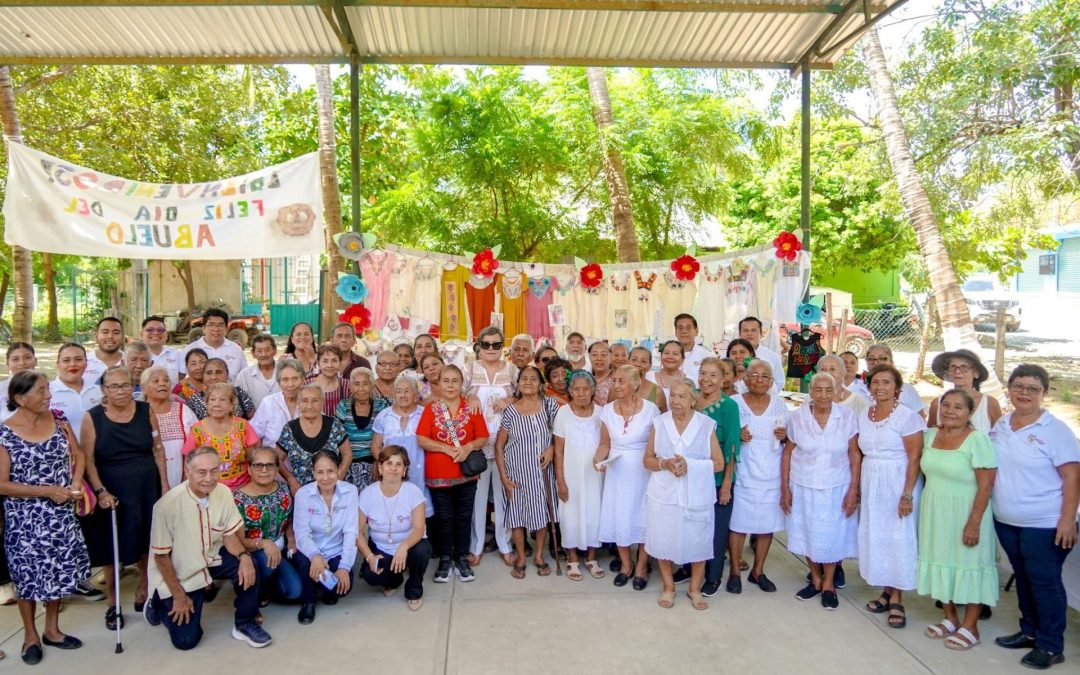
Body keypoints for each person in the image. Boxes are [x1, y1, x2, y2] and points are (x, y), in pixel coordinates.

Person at [990, 364, 1079, 669]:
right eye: (1019, 386)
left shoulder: (1055, 431)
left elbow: (1072, 478)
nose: (1024, 393)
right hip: (1007, 521)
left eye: (1033, 388)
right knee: (1024, 580)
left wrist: (1067, 520)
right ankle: (1030, 631)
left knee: (1045, 583)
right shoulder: (1002, 424)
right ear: (1010, 389)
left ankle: (1051, 645)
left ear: (1044, 393)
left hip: (1045, 524)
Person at [0, 371, 90, 665]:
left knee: (57, 573)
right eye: (41, 391)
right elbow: (1, 483)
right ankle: (30, 635)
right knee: (27, 579)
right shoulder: (5, 434)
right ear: (20, 398)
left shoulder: (60, 422)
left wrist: (76, 482)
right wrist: (47, 490)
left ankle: (52, 629)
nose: (48, 395)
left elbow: (79, 455)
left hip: (60, 515)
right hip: (24, 520)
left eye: (48, 389)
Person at [144, 446, 270, 650]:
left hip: (212, 557)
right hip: (181, 570)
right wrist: (178, 596)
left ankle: (245, 623)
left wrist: (244, 556)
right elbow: (161, 557)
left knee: (250, 565)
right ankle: (157, 603)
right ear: (187, 471)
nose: (209, 478)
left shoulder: (223, 492)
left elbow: (228, 534)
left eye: (214, 471)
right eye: (201, 472)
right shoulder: (166, 506)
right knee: (186, 641)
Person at [80, 366, 168, 629]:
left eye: (125, 385)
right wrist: (100, 491)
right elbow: (88, 460)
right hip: (111, 487)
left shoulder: (146, 411)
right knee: (111, 548)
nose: (120, 391)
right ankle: (112, 603)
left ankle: (144, 587)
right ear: (104, 390)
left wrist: (164, 486)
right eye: (113, 387)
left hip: (145, 484)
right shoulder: (92, 417)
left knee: (145, 540)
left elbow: (158, 449)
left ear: (133, 386)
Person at [917, 389, 998, 650]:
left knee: (969, 564)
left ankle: (970, 626)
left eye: (958, 407)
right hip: (935, 511)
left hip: (967, 511)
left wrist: (974, 522)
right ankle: (950, 618)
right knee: (941, 560)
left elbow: (986, 486)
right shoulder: (929, 436)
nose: (950, 411)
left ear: (970, 412)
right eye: (946, 405)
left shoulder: (978, 440)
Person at [781, 372, 860, 611]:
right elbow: (787, 453)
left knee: (833, 536)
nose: (823, 395)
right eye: (818, 390)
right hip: (803, 485)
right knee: (807, 533)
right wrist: (784, 488)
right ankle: (815, 579)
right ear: (810, 392)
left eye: (829, 390)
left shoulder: (847, 417)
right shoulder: (797, 418)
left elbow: (854, 454)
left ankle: (829, 584)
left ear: (836, 392)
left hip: (837, 486)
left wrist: (854, 490)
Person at [644, 378, 724, 610]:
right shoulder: (659, 423)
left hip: (696, 495)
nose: (675, 401)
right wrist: (665, 464)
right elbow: (647, 460)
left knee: (697, 540)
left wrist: (691, 465)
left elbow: (718, 463)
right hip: (664, 495)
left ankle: (694, 589)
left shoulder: (706, 424)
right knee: (663, 539)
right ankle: (668, 587)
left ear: (693, 400)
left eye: (681, 397)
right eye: (672, 396)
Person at [858, 363, 926, 630]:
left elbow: (915, 457)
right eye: (875, 382)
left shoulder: (908, 417)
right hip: (872, 479)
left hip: (898, 481)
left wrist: (907, 493)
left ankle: (897, 597)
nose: (880, 387)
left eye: (886, 382)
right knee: (879, 535)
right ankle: (887, 589)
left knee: (898, 536)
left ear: (897, 388)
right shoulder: (865, 413)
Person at [416, 365, 488, 583]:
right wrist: (446, 448)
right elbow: (421, 439)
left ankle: (461, 558)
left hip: (466, 474)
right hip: (438, 474)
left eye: (454, 380)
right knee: (444, 518)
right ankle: (446, 559)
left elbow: (483, 437)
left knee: (464, 517)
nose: (450, 385)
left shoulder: (472, 408)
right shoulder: (431, 409)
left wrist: (467, 448)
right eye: (445, 380)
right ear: (439, 382)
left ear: (461, 383)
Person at [595, 365, 661, 590]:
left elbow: (657, 445)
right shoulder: (606, 411)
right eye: (615, 381)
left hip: (643, 473)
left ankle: (642, 567)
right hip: (617, 474)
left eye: (622, 381)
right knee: (619, 517)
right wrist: (598, 460)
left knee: (644, 519)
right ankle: (626, 565)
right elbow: (605, 443)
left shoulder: (651, 410)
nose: (617, 385)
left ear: (636, 384)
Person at [727, 360, 788, 594]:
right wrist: (736, 434)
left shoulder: (780, 405)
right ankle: (734, 570)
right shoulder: (734, 403)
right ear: (745, 379)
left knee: (766, 526)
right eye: (755, 375)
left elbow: (788, 438)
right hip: (743, 472)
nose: (760, 380)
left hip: (771, 473)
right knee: (738, 524)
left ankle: (758, 570)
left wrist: (784, 436)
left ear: (772, 382)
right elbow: (720, 433)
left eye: (765, 377)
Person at [495, 366, 561, 579]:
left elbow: (560, 435)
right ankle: (522, 556)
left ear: (542, 384)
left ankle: (539, 555)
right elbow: (499, 446)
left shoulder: (550, 405)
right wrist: (504, 478)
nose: (529, 382)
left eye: (534, 379)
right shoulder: (511, 410)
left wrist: (551, 448)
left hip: (542, 472)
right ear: (518, 383)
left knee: (541, 515)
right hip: (516, 474)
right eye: (524, 378)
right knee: (517, 517)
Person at [357, 445, 431, 611]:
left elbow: (419, 529)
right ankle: (395, 580)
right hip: (381, 547)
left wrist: (404, 547)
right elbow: (358, 532)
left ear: (404, 470)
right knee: (370, 576)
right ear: (380, 467)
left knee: (422, 551)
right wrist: (369, 557)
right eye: (389, 463)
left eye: (399, 464)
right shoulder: (367, 494)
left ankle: (414, 590)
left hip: (409, 545)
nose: (393, 468)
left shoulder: (413, 492)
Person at [467, 326, 516, 567]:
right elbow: (454, 391)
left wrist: (509, 399)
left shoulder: (512, 370)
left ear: (502, 345)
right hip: (476, 444)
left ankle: (505, 543)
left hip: (505, 445)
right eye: (485, 344)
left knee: (504, 495)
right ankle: (475, 546)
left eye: (496, 344)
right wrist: (470, 397)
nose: (490, 349)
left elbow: (524, 394)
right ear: (479, 345)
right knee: (477, 497)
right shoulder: (469, 368)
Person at [291, 450, 357, 625]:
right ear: (313, 473)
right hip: (309, 551)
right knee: (308, 565)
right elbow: (302, 534)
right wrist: (315, 555)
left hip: (335, 551)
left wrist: (344, 567)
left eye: (331, 471)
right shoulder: (303, 494)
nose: (325, 477)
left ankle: (324, 585)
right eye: (320, 472)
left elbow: (351, 532)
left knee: (342, 588)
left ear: (338, 470)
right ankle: (309, 601)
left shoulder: (350, 492)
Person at [695, 357, 741, 597]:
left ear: (724, 379)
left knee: (716, 530)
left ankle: (713, 577)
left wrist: (726, 485)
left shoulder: (729, 406)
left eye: (713, 375)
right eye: (703, 373)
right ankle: (689, 568)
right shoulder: (692, 399)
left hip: (718, 477)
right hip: (694, 475)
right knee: (693, 525)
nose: (707, 379)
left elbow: (733, 446)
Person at [554, 370, 605, 581]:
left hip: (595, 477)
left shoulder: (601, 413)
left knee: (595, 515)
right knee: (570, 517)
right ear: (570, 391)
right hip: (571, 476)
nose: (581, 393)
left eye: (586, 389)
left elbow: (606, 443)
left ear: (593, 390)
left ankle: (591, 558)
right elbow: (558, 451)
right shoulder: (563, 413)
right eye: (577, 389)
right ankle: (572, 558)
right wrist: (561, 481)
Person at [233, 448, 301, 604]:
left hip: (279, 550)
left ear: (277, 468)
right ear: (249, 469)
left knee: (294, 592)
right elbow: (236, 540)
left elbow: (288, 520)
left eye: (270, 465)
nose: (264, 470)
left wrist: (291, 537)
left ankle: (268, 585)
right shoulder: (238, 499)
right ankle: (254, 593)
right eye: (258, 465)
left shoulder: (284, 491)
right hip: (253, 554)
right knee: (265, 561)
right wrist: (263, 544)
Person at [371, 377, 432, 518]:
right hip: (392, 474)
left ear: (415, 395)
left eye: (407, 391)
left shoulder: (425, 413)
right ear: (394, 394)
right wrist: (387, 466)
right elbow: (375, 446)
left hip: (421, 474)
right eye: (399, 391)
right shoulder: (384, 416)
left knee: (420, 514)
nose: (403, 395)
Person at [182, 383, 260, 491]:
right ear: (207, 404)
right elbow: (188, 463)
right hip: (209, 489)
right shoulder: (197, 430)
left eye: (222, 400)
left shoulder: (243, 426)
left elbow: (253, 459)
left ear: (232, 405)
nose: (216, 404)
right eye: (212, 400)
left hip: (242, 488)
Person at [276, 385, 351, 493]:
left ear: (322, 403)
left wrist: (339, 476)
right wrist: (291, 479)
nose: (309, 406)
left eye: (315, 401)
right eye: (305, 401)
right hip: (301, 491)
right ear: (299, 403)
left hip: (332, 489)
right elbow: (276, 458)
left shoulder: (334, 425)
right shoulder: (290, 429)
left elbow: (347, 454)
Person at [142, 366, 197, 489]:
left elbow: (198, 444)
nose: (162, 384)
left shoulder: (184, 411)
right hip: (147, 481)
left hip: (183, 480)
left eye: (166, 380)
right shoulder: (138, 414)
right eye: (156, 381)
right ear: (144, 388)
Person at [336, 367, 388, 490]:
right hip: (349, 463)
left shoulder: (381, 405)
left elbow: (386, 437)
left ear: (372, 386)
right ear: (351, 387)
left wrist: (379, 461)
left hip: (375, 462)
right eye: (357, 384)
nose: (361, 389)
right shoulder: (344, 406)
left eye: (365, 384)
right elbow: (337, 436)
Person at [929, 349, 1002, 433]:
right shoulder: (937, 404)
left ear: (976, 373)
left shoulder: (989, 403)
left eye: (964, 367)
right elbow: (929, 437)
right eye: (953, 367)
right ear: (948, 372)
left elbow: (1000, 437)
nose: (957, 371)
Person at [49, 343, 103, 443]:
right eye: (66, 360)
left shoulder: (100, 391)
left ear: (86, 363)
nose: (73, 364)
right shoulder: (47, 392)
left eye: (78, 359)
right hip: (63, 455)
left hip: (98, 453)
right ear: (57, 364)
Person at [858, 344, 927, 417]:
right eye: (871, 359)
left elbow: (920, 419)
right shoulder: (857, 389)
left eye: (882, 358)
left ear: (891, 362)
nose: (876, 362)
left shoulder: (906, 389)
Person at [181, 308, 246, 382]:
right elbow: (180, 379)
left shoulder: (236, 349)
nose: (216, 329)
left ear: (226, 329)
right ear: (203, 328)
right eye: (211, 325)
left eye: (220, 325)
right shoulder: (190, 350)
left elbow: (244, 378)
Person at [250, 359, 304, 448]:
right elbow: (254, 435)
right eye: (285, 380)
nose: (290, 384)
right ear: (279, 383)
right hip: (273, 459)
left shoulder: (310, 402)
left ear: (303, 380)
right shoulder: (268, 403)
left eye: (295, 379)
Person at [186, 358, 256, 420]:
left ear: (227, 374)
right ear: (203, 376)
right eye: (209, 373)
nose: (214, 377)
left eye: (219, 372)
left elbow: (253, 420)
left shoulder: (238, 393)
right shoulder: (194, 400)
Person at [235, 335, 281, 410]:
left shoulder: (286, 371)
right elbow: (237, 403)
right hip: (254, 421)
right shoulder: (244, 376)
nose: (264, 354)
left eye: (267, 350)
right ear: (253, 353)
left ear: (275, 350)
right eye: (259, 351)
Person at [738, 317, 782, 393]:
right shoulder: (730, 355)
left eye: (753, 330)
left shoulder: (772, 357)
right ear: (740, 334)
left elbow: (779, 382)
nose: (749, 334)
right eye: (745, 330)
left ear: (761, 334)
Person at [309, 344, 350, 417]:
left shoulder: (348, 386)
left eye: (334, 361)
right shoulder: (307, 385)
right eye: (325, 361)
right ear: (318, 363)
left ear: (340, 363)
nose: (330, 365)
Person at [0, 342, 37, 423]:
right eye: (15, 359)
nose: (22, 363)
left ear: (36, 361)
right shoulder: (1, 389)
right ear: (7, 364)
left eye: (27, 357)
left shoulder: (49, 389)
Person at [84, 317, 125, 386]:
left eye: (116, 333)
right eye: (105, 332)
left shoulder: (131, 362)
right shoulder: (84, 361)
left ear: (122, 337)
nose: (110, 336)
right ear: (96, 336)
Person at [674, 313, 713, 385]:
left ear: (696, 331)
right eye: (680, 328)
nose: (684, 331)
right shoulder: (670, 356)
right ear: (676, 332)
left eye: (688, 328)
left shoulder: (707, 355)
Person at [141, 315, 181, 382]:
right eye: (150, 330)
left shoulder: (176, 355)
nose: (156, 333)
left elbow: (181, 383)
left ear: (166, 334)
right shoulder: (135, 356)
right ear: (141, 334)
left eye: (160, 330)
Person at [630, 346, 668, 413]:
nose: (638, 364)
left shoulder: (657, 391)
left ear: (650, 365)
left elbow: (663, 417)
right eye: (634, 359)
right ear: (627, 361)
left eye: (643, 361)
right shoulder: (617, 388)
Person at [589, 341, 614, 406]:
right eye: (594, 355)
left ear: (610, 358)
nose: (599, 358)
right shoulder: (587, 380)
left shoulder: (616, 380)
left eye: (603, 355)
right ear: (589, 357)